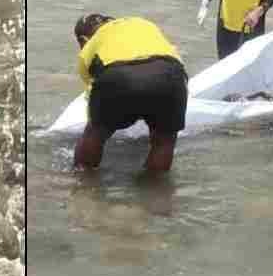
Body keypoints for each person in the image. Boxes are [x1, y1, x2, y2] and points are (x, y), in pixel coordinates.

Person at [73, 14, 188, 172]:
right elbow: (176, 59)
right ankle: (156, 189)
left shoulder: (89, 46)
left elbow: (93, 98)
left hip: (118, 76)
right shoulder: (143, 23)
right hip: (170, 74)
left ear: (83, 40)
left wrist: (99, 125)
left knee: (95, 133)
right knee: (164, 141)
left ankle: (83, 181)